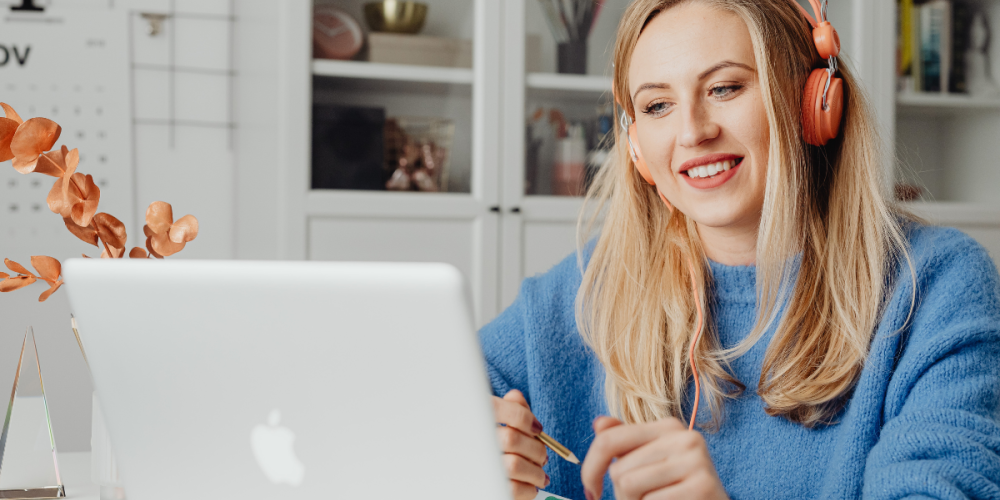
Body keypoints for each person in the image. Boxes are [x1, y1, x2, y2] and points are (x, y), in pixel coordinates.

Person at [480, 0, 1000, 499]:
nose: (693, 132)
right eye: (657, 105)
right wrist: (465, 439)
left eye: (725, 88)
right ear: (635, 146)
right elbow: (425, 389)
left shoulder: (935, 284)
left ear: (814, 102)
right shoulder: (596, 280)